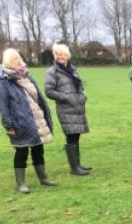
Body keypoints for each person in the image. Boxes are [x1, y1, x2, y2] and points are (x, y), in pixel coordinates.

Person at [0, 48, 57, 193]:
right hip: (19, 122)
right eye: (13, 59)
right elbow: (2, 105)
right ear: (7, 62)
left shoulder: (26, 75)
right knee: (21, 152)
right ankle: (20, 183)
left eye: (18, 58)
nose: (17, 61)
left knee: (38, 149)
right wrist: (8, 125)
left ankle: (43, 178)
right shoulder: (3, 81)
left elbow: (38, 97)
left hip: (35, 120)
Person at [45, 43, 91, 176]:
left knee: (76, 135)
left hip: (77, 108)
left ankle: (78, 164)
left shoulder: (72, 70)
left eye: (63, 54)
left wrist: (83, 96)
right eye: (58, 54)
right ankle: (74, 168)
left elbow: (80, 86)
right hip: (65, 109)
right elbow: (49, 91)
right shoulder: (52, 72)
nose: (60, 57)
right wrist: (66, 98)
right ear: (55, 56)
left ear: (67, 56)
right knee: (71, 136)